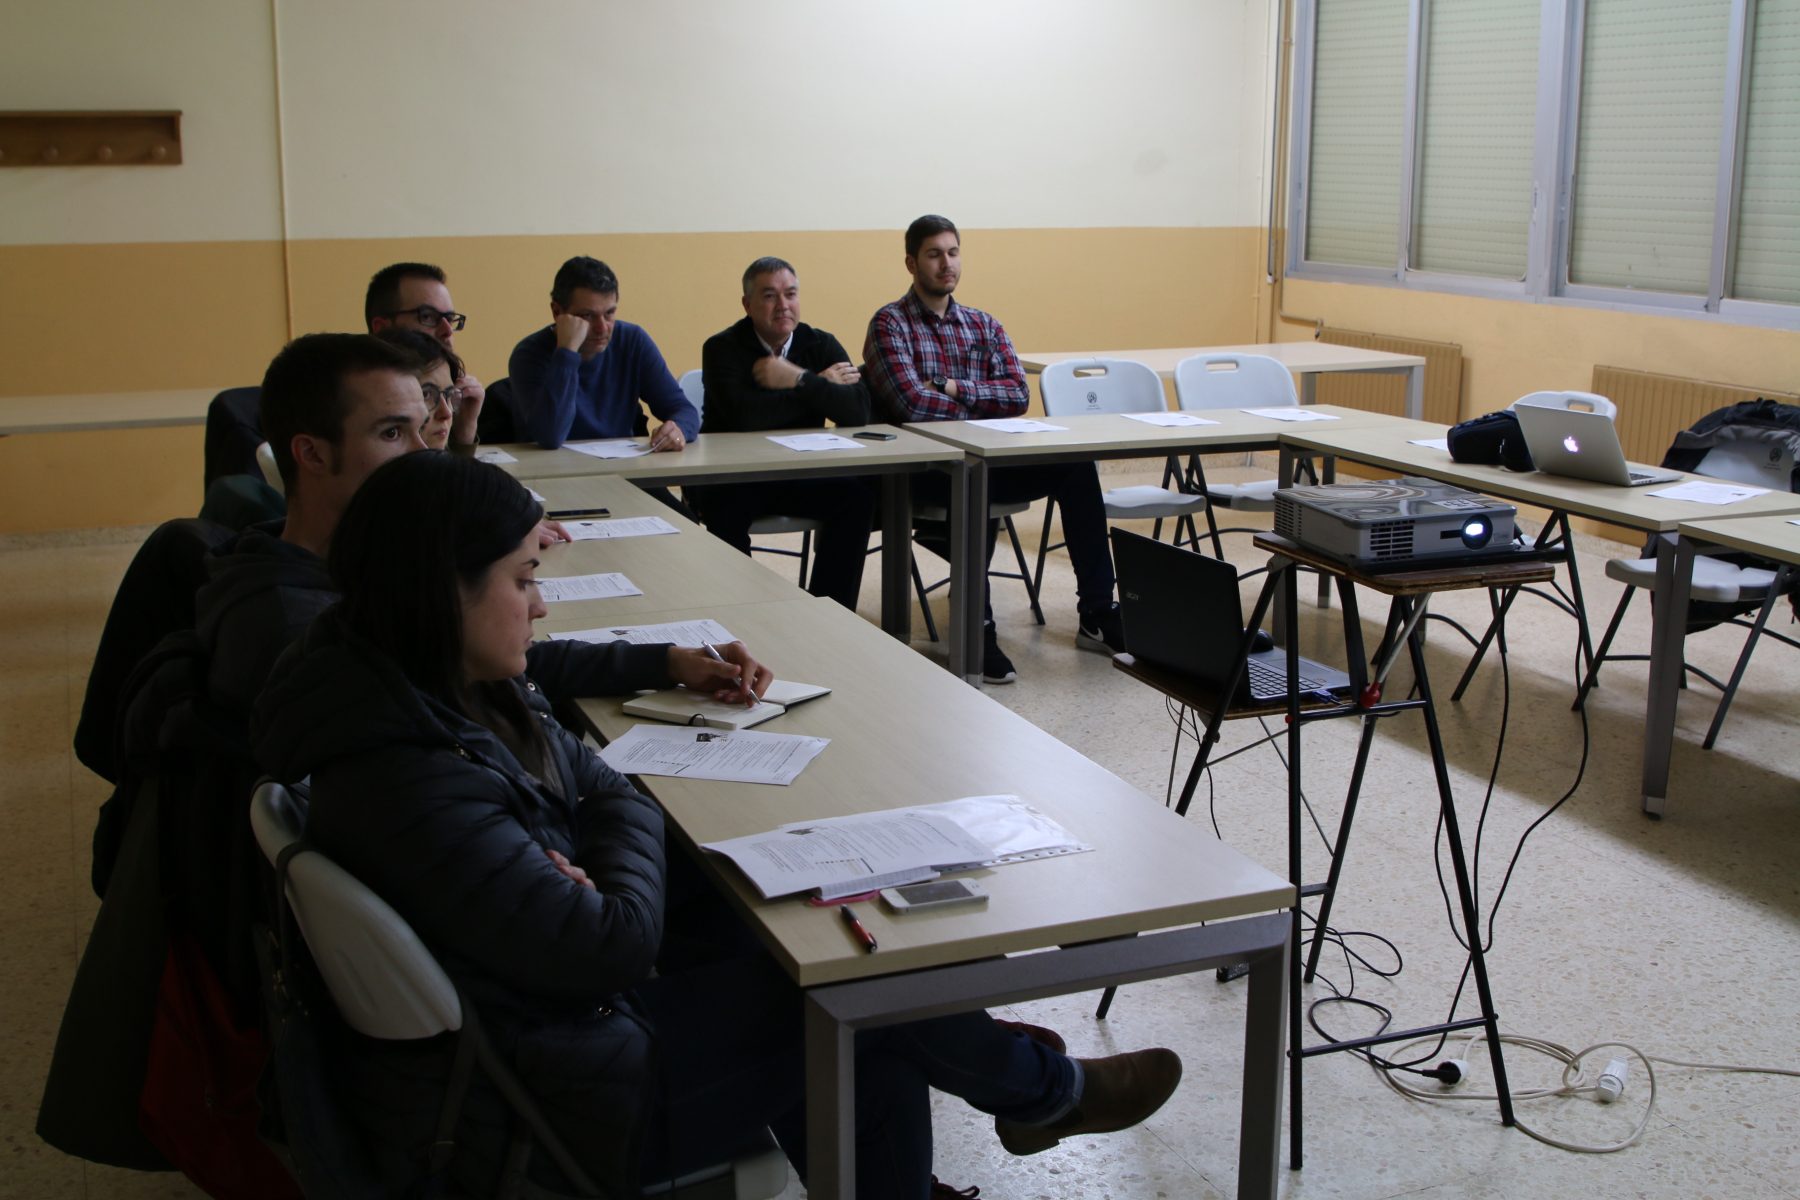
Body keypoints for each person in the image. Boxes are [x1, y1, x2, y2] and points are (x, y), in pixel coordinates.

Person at [250, 449, 1184, 1199]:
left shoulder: (426, 682)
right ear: (438, 588)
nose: (539, 603)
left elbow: (603, 789)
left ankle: (1009, 1110)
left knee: (833, 922)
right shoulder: (409, 771)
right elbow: (609, 939)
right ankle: (1040, 1095)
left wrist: (594, 830)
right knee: (850, 995)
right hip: (554, 1104)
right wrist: (608, 829)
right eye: (521, 578)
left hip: (549, 1024)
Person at [198, 333, 766, 714]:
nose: (424, 451)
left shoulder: (354, 569)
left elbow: (473, 655)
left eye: (422, 427)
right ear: (313, 455)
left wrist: (665, 660)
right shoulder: (301, 636)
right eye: (393, 433)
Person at [864, 215, 1126, 685]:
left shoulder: (983, 324)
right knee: (971, 482)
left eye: (953, 252)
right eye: (933, 254)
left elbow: (1017, 396)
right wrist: (978, 399)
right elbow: (910, 403)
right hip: (925, 468)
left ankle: (1098, 611)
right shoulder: (890, 323)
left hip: (986, 457)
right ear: (911, 262)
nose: (947, 264)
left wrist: (950, 385)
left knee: (1075, 463)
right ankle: (976, 625)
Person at [689, 256, 875, 609]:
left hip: (798, 472)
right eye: (770, 296)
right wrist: (821, 386)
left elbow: (857, 411)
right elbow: (747, 417)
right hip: (732, 477)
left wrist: (797, 378)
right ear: (748, 305)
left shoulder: (820, 343)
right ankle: (743, 614)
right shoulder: (721, 348)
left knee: (857, 500)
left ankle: (829, 612)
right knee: (724, 511)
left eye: (790, 294)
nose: (783, 305)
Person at [507, 256, 699, 451]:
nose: (602, 328)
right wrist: (566, 352)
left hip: (625, 468)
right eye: (587, 316)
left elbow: (684, 410)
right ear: (557, 312)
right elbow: (551, 436)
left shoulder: (632, 340)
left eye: (609, 313)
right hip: (554, 473)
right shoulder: (528, 355)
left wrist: (678, 429)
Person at [364, 262, 486, 447]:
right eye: (427, 316)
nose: (447, 331)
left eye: (450, 319)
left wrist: (464, 431)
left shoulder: (453, 395)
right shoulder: (357, 403)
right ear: (382, 329)